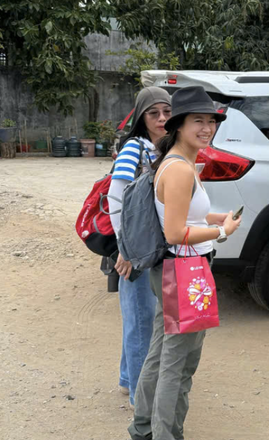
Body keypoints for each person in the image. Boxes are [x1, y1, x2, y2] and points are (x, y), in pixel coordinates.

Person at [127, 85, 241, 440]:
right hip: (184, 271)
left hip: (173, 272)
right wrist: (221, 232)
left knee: (161, 352)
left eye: (211, 121)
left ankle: (144, 429)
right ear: (177, 125)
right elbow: (175, 233)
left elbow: (182, 219)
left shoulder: (178, 162)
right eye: (198, 121)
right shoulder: (177, 169)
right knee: (180, 360)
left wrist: (215, 219)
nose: (207, 127)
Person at [108, 87, 172, 408]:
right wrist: (125, 249)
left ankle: (126, 379)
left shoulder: (163, 149)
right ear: (141, 117)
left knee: (137, 317)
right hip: (135, 252)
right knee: (142, 322)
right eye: (153, 113)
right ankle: (138, 397)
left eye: (167, 112)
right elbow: (115, 196)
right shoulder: (135, 147)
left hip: (150, 248)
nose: (161, 118)